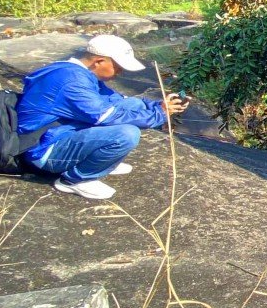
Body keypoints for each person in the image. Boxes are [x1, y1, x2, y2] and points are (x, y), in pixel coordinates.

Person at [15, 33, 187, 200]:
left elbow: (119, 102)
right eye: (118, 67)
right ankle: (74, 180)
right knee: (126, 135)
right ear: (99, 61)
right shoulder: (72, 82)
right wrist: (160, 114)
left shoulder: (79, 72)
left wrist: (158, 106)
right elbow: (105, 116)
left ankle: (99, 162)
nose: (121, 73)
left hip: (64, 132)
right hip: (45, 150)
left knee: (131, 106)